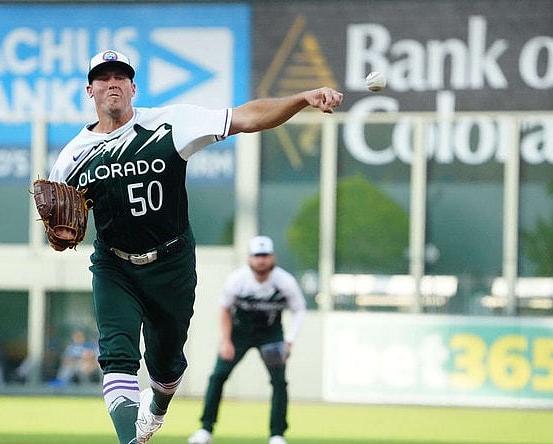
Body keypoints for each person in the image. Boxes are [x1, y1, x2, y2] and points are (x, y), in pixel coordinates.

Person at [46, 49, 342, 444]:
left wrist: (302, 98)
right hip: (114, 265)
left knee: (166, 369)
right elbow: (60, 225)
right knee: (117, 356)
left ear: (133, 87)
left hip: (171, 263)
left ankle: (157, 407)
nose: (112, 83)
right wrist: (59, 236)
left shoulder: (169, 124)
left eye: (120, 76)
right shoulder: (72, 158)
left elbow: (247, 117)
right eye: (103, 77)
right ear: (90, 90)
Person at [188, 235, 307, 444]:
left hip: (271, 335)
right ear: (249, 258)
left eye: (265, 255)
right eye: (257, 255)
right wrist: (226, 340)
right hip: (239, 334)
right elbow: (224, 308)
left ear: (273, 257)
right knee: (218, 376)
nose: (261, 260)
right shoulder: (238, 280)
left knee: (279, 382)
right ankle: (205, 429)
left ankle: (277, 434)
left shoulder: (284, 282)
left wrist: (289, 341)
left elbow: (299, 309)